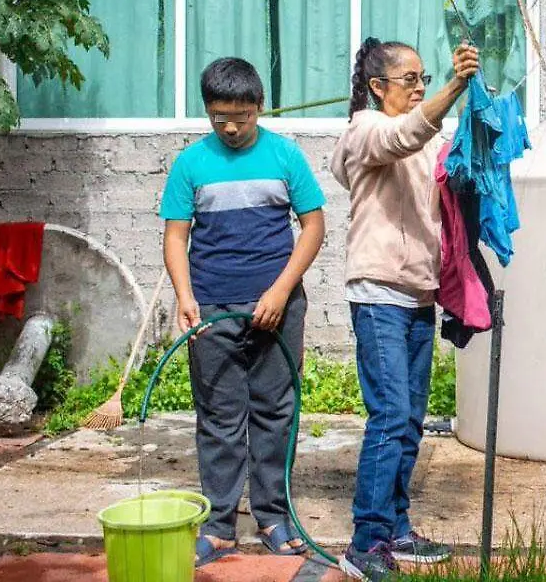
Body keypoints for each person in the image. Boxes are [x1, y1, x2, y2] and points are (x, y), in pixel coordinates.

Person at [160, 57, 326, 567]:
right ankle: (219, 526)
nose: (230, 127)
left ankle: (274, 517)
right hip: (212, 307)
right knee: (219, 417)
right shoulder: (191, 163)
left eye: (241, 116)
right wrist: (186, 299)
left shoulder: (285, 156)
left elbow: (314, 227)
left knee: (275, 413)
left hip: (277, 308)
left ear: (259, 107)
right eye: (218, 117)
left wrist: (279, 292)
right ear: (208, 112)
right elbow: (175, 236)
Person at [330, 38, 479, 579]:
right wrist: (455, 86)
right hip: (378, 296)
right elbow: (406, 131)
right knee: (389, 416)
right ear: (377, 86)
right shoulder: (366, 129)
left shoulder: (422, 143)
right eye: (409, 78)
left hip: (417, 295)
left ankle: (396, 529)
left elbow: (438, 157)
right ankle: (364, 543)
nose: (419, 87)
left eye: (425, 77)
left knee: (410, 421)